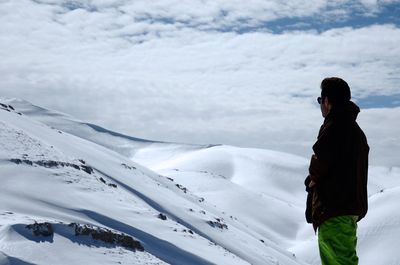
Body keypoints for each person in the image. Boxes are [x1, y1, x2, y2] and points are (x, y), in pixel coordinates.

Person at [305, 77, 369, 265]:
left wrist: (312, 180)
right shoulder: (354, 129)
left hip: (334, 209)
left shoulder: (336, 127)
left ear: (327, 101)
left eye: (320, 100)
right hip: (346, 210)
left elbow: (319, 163)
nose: (320, 105)